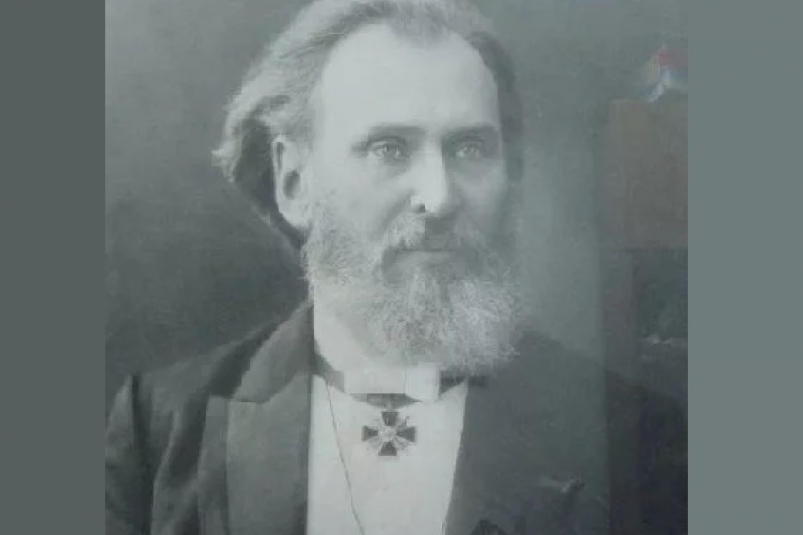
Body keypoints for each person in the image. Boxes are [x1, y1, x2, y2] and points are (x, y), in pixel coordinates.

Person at [105, 1, 662, 533]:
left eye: (469, 148)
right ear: (294, 182)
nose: (439, 198)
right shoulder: (160, 430)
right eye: (389, 149)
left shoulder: (629, 433)